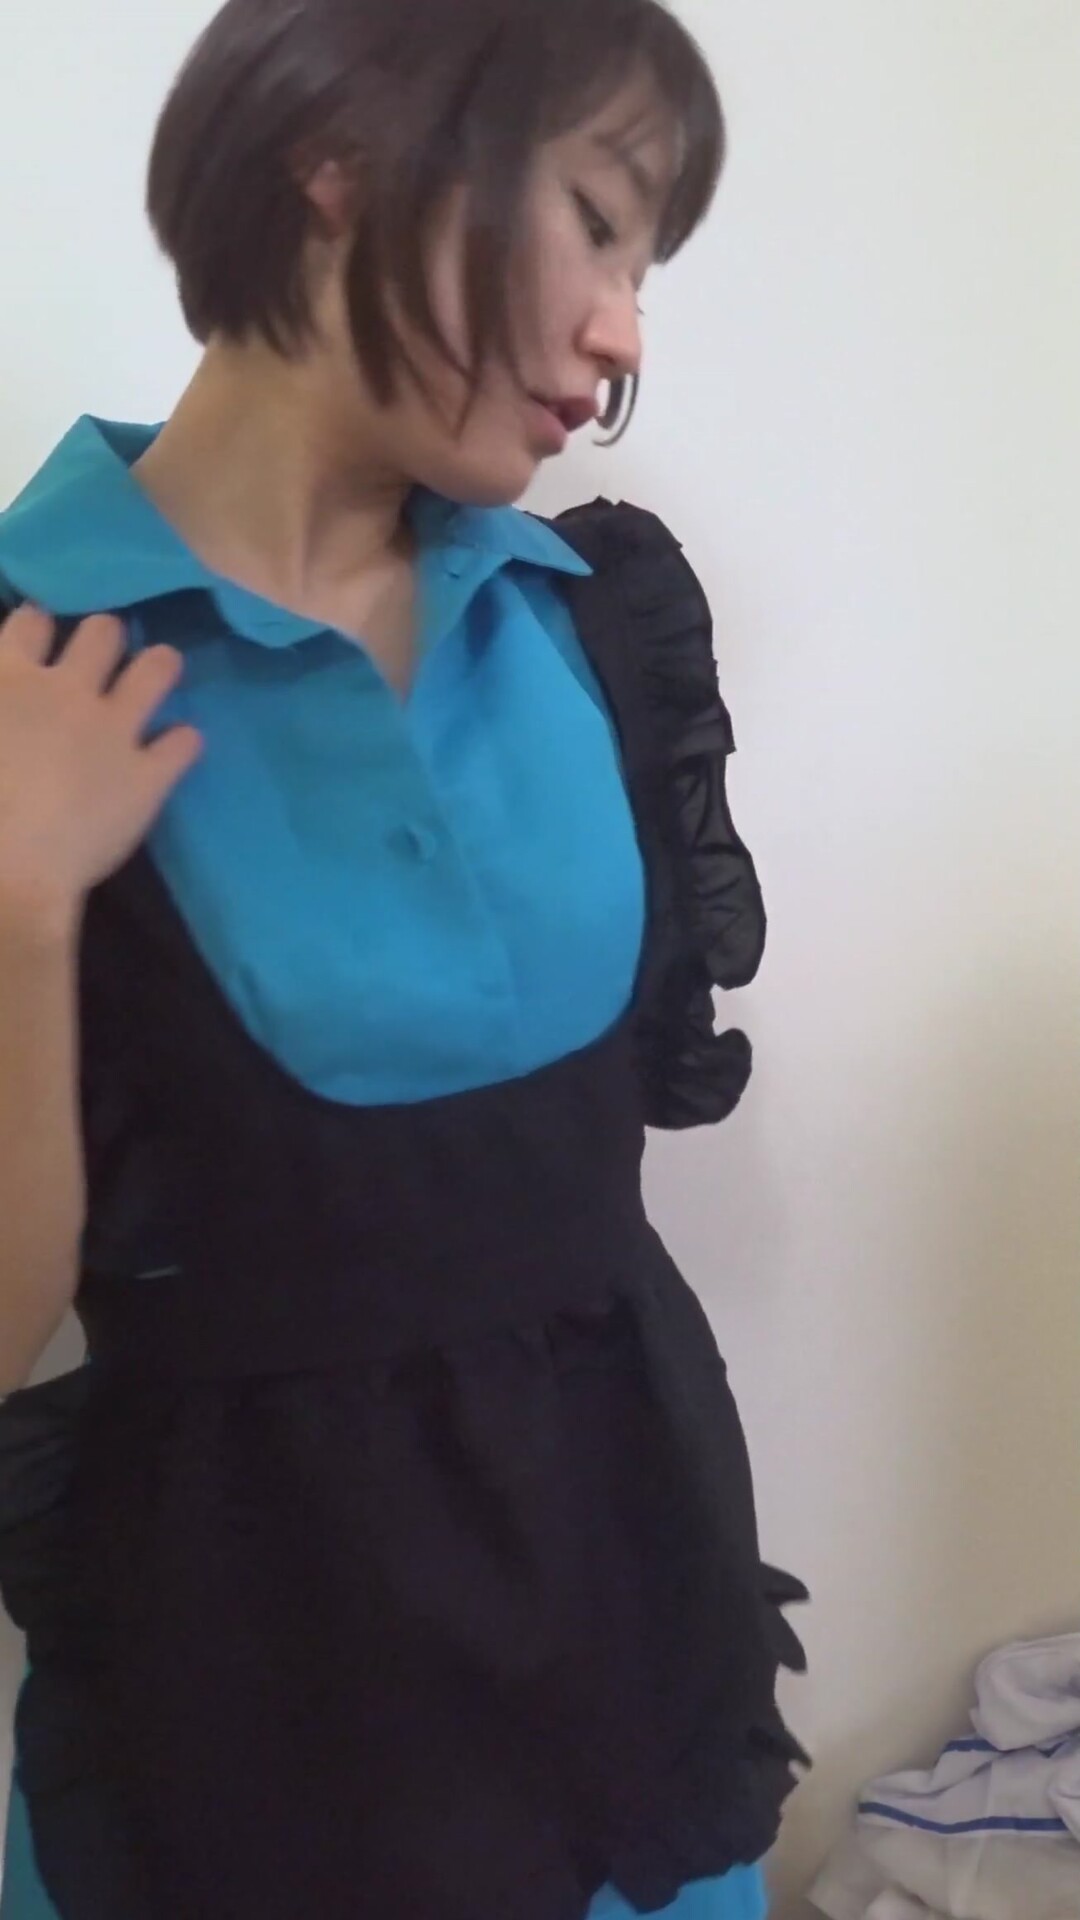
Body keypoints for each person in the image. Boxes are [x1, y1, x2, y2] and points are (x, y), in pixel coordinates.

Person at [0, 1, 807, 1915]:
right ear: (343, 159)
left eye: (645, 267)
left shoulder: (598, 624)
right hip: (250, 1755)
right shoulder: (28, 668)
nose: (624, 335)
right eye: (596, 223)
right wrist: (24, 908)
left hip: (632, 1686)